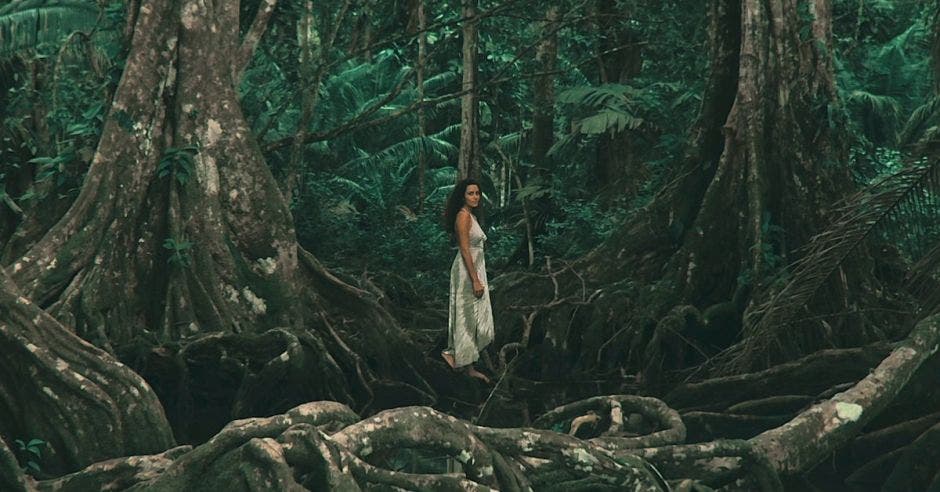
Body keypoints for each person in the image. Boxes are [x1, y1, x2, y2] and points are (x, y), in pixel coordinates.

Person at [441, 178, 494, 384]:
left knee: (474, 316)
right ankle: (460, 360)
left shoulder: (470, 215)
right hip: (466, 271)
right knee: (465, 314)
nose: (475, 197)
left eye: (477, 193)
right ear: (462, 196)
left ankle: (463, 358)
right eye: (470, 193)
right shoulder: (463, 217)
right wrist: (475, 280)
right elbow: (464, 249)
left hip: (475, 269)